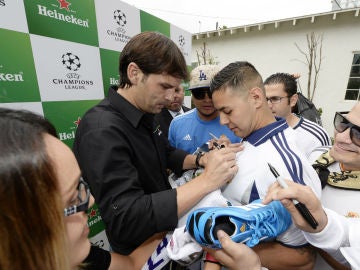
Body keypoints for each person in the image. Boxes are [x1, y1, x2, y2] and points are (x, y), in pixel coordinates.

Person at [73, 31, 241, 264]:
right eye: (164, 86)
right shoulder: (101, 130)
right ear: (134, 73)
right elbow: (126, 218)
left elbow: (166, 153)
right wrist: (206, 181)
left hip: (169, 239)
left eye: (175, 88)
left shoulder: (147, 114)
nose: (172, 97)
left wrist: (201, 160)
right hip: (137, 255)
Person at [0, 108, 163, 270]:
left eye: (81, 184)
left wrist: (172, 228)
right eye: (72, 199)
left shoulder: (79, 253)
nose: (91, 201)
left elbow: (131, 264)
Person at [209, 61, 322, 269]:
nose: (222, 121)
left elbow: (303, 257)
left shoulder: (284, 163)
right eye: (219, 112)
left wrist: (216, 242)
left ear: (255, 98)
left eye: (227, 111)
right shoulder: (248, 139)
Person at [169, 64, 240, 154]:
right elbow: (170, 162)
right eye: (199, 93)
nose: (207, 100)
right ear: (191, 94)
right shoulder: (177, 124)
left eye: (211, 93)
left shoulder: (237, 124)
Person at [264, 72, 331, 159]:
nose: (268, 105)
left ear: (293, 100)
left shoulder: (315, 136)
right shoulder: (256, 131)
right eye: (265, 99)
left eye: (275, 99)